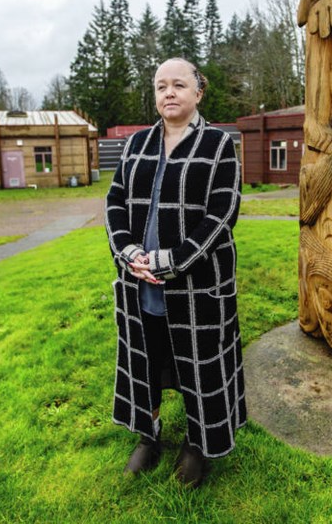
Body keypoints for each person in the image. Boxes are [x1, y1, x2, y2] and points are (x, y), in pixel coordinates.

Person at [104, 58, 246, 488]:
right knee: (147, 363)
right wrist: (128, 252)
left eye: (179, 85)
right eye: (161, 85)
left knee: (198, 367)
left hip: (198, 286)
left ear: (198, 92)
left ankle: (198, 444)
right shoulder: (136, 144)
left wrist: (171, 261)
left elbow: (222, 215)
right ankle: (149, 437)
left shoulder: (219, 145)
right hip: (141, 286)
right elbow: (114, 203)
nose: (169, 92)